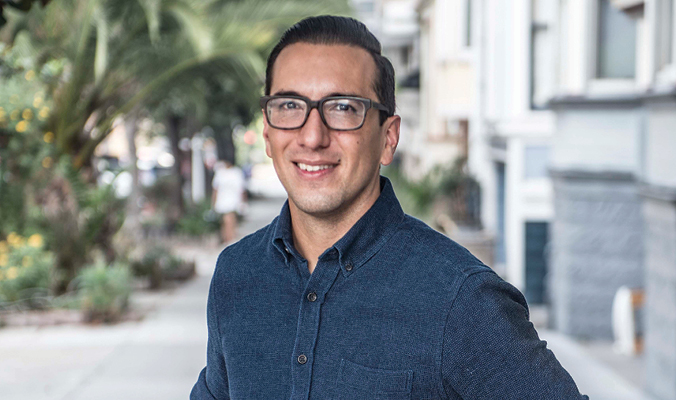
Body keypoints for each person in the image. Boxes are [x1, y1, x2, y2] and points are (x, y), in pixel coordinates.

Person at [191, 15, 588, 400]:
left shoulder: (461, 299)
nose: (312, 136)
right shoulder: (236, 275)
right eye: (291, 106)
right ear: (267, 132)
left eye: (343, 108)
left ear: (388, 138)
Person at [211, 159, 244, 243]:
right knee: (227, 220)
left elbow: (241, 189)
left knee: (228, 219)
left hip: (231, 200)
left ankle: (229, 238)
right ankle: (228, 238)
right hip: (226, 200)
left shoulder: (232, 173)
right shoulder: (222, 172)